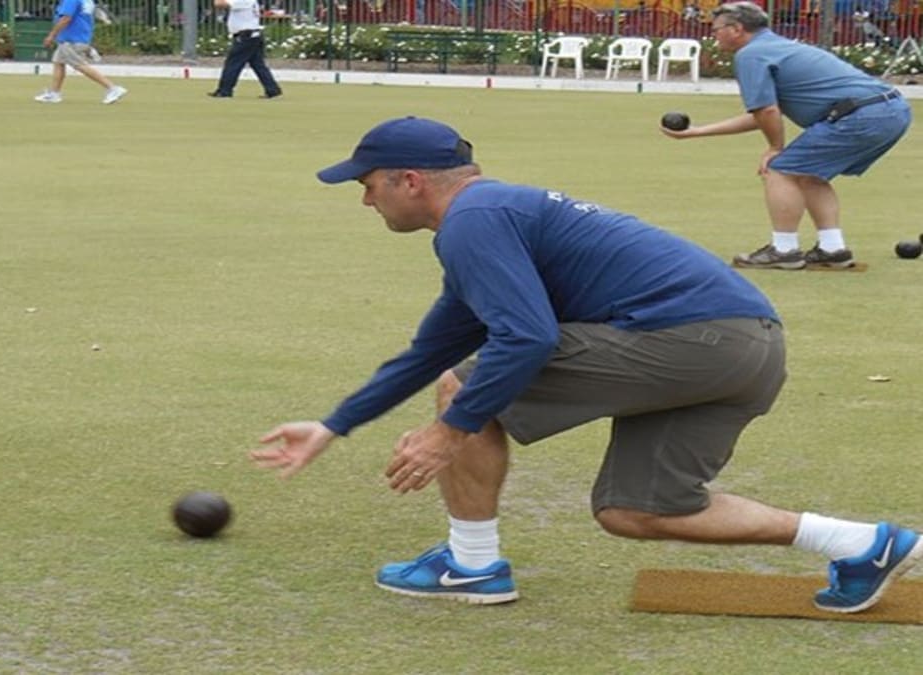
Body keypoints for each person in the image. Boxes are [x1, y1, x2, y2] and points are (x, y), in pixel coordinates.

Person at [250, 116, 922, 612]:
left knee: (467, 388)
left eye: (367, 185)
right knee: (635, 509)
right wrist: (333, 425)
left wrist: (449, 430)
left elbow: (527, 339)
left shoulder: (475, 219)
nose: (366, 200)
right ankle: (864, 542)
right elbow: (429, 349)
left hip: (696, 339)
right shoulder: (489, 220)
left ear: (411, 180)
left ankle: (473, 565)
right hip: (747, 347)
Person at [660, 2, 911, 270]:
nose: (714, 34)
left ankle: (784, 250)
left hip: (862, 114)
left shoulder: (751, 54)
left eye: (717, 29)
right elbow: (764, 113)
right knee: (809, 175)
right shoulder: (775, 47)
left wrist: (774, 148)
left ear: (736, 29)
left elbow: (767, 111)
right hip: (890, 109)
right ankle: (833, 249)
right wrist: (696, 132)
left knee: (780, 170)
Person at [34, 0, 127, 105]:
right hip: (78, 37)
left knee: (79, 65)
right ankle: (54, 93)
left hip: (71, 39)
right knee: (58, 63)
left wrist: (52, 35)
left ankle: (112, 88)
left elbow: (66, 18)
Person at [207, 0, 282, 99]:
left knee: (233, 63)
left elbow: (219, 4)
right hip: (252, 36)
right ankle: (272, 90)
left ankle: (225, 90)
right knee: (258, 65)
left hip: (246, 36)